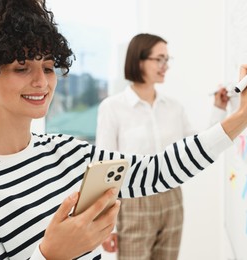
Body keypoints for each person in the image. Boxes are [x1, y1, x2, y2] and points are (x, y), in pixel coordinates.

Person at [0, 0, 247, 259]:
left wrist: (243, 116)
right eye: (22, 67)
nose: (41, 81)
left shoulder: (64, 152)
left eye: (48, 67)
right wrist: (51, 254)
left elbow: (155, 170)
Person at [96, 33, 230, 260]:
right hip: (134, 202)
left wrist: (218, 107)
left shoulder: (174, 108)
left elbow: (199, 146)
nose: (165, 66)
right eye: (159, 59)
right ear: (139, 60)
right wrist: (106, 224)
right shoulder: (113, 107)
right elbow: (105, 168)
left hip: (172, 198)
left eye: (167, 59)